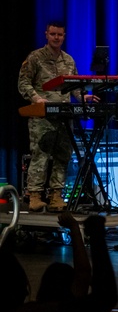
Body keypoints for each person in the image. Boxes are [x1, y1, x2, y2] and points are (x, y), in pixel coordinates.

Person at [17, 21, 88, 213]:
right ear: (46, 35)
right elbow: (23, 83)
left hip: (64, 115)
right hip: (42, 115)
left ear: (64, 36)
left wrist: (84, 97)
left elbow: (74, 87)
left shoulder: (69, 60)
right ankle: (35, 196)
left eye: (60, 35)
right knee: (40, 155)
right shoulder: (36, 57)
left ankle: (56, 195)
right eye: (53, 34)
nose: (56, 38)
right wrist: (36, 98)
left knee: (63, 155)